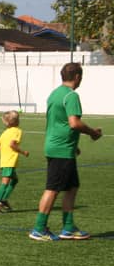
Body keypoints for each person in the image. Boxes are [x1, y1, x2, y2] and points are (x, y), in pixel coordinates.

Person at [29, 62, 102, 241]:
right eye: (81, 77)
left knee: (72, 186)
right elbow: (73, 123)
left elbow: (57, 122)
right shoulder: (71, 95)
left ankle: (68, 227)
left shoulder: (55, 94)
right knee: (53, 189)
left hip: (61, 146)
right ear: (77, 77)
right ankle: (39, 228)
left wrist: (73, 144)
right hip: (61, 149)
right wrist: (93, 133)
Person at [0, 110, 29, 214]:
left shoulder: (5, 132)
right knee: (5, 182)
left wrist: (4, 150)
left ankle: (3, 200)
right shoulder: (17, 131)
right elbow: (12, 144)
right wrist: (23, 152)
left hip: (5, 160)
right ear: (17, 121)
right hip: (9, 161)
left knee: (14, 180)